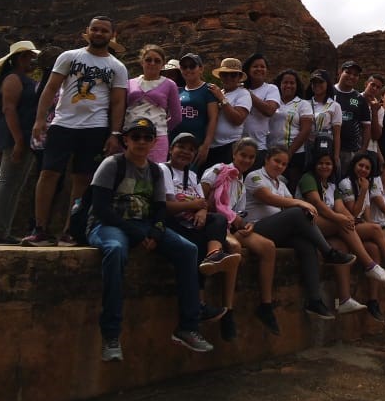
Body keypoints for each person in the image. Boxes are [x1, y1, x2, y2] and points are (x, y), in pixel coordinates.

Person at [87, 117, 213, 361]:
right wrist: (138, 233)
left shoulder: (154, 171)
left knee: (187, 250)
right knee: (115, 251)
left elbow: (159, 209)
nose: (142, 142)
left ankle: (188, 325)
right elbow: (101, 208)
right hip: (109, 224)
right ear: (126, 140)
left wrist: (155, 232)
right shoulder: (112, 165)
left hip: (143, 225)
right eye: (136, 137)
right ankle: (111, 333)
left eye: (147, 137)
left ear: (154, 141)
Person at [23, 16, 128, 247]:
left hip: (95, 126)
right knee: (48, 173)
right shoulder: (69, 56)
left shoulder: (117, 67)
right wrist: (40, 119)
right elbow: (50, 88)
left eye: (104, 30)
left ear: (112, 35)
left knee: (82, 178)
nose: (99, 33)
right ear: (87, 32)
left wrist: (115, 134)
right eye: (95, 29)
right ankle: (40, 228)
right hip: (62, 124)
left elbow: (118, 102)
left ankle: (71, 229)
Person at [243, 144, 357, 319]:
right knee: (297, 211)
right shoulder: (254, 176)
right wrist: (300, 203)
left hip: (278, 230)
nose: (279, 166)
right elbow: (267, 197)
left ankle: (314, 300)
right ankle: (328, 252)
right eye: (276, 161)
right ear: (266, 160)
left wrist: (304, 208)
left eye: (283, 164)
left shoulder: (280, 183)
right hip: (256, 228)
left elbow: (289, 201)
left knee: (306, 245)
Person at [161, 133, 240, 340]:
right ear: (171, 149)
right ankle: (199, 306)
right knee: (194, 246)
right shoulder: (164, 170)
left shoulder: (192, 175)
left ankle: (214, 255)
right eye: (181, 147)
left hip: (192, 223)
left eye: (190, 149)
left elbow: (203, 203)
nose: (186, 152)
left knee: (218, 221)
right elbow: (166, 206)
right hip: (173, 223)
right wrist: (194, 206)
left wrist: (203, 211)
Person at [201, 138, 283, 335]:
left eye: (251, 157)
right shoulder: (218, 170)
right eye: (243, 155)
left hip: (232, 226)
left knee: (268, 247)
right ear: (234, 154)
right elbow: (202, 197)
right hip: (213, 225)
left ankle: (266, 304)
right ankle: (228, 309)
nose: (246, 160)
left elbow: (239, 214)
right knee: (235, 248)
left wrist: (247, 225)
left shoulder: (240, 183)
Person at [298, 150, 385, 318]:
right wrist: (341, 219)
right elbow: (317, 204)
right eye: (321, 163)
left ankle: (345, 299)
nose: (325, 166)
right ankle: (373, 266)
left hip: (329, 228)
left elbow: (341, 208)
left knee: (348, 246)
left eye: (328, 164)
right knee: (362, 228)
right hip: (309, 224)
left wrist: (348, 219)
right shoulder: (308, 179)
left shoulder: (332, 186)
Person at [0, 40, 41, 245]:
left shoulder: (21, 78)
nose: (32, 61)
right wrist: (18, 141)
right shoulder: (13, 79)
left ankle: (2, 231)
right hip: (16, 138)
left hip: (24, 138)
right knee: (8, 182)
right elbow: (9, 110)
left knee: (14, 184)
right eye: (30, 57)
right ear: (21, 58)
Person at [125, 44, 182, 164]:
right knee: (128, 174)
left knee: (154, 173)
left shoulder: (170, 85)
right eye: (148, 60)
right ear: (141, 62)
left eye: (157, 61)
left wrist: (161, 129)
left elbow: (177, 117)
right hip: (131, 136)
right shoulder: (129, 83)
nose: (152, 63)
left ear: (162, 64)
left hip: (156, 138)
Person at [173, 53, 219, 172]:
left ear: (201, 69)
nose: (188, 69)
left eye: (192, 66)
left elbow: (213, 118)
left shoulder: (208, 90)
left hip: (195, 145)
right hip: (175, 143)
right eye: (184, 67)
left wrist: (206, 145)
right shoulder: (178, 91)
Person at [269, 69, 313, 186]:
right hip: (272, 152)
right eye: (285, 83)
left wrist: (289, 153)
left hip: (294, 154)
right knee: (271, 185)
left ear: (297, 85)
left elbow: (306, 130)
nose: (288, 85)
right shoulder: (272, 102)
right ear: (279, 85)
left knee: (291, 187)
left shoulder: (303, 104)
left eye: (292, 83)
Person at [206, 58, 252, 166]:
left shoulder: (243, 94)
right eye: (225, 74)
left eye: (233, 75)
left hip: (229, 146)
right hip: (212, 146)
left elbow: (238, 119)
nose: (229, 78)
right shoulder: (219, 93)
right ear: (220, 76)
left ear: (239, 77)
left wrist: (222, 99)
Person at [242, 53, 282, 165]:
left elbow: (269, 110)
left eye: (262, 66)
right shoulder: (239, 89)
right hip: (237, 146)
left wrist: (247, 93)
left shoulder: (271, 89)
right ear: (248, 70)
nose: (259, 69)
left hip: (258, 148)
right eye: (255, 66)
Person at [333, 60, 371, 177]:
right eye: (348, 72)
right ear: (340, 73)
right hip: (328, 146)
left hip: (349, 150)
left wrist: (362, 151)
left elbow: (366, 127)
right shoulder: (329, 91)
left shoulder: (360, 99)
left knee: (345, 183)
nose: (351, 76)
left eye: (355, 75)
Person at [305, 69, 342, 163]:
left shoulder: (334, 106)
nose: (317, 84)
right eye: (314, 82)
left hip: (324, 149)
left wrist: (336, 156)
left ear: (327, 84)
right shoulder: (304, 104)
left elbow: (337, 135)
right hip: (306, 148)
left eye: (320, 82)